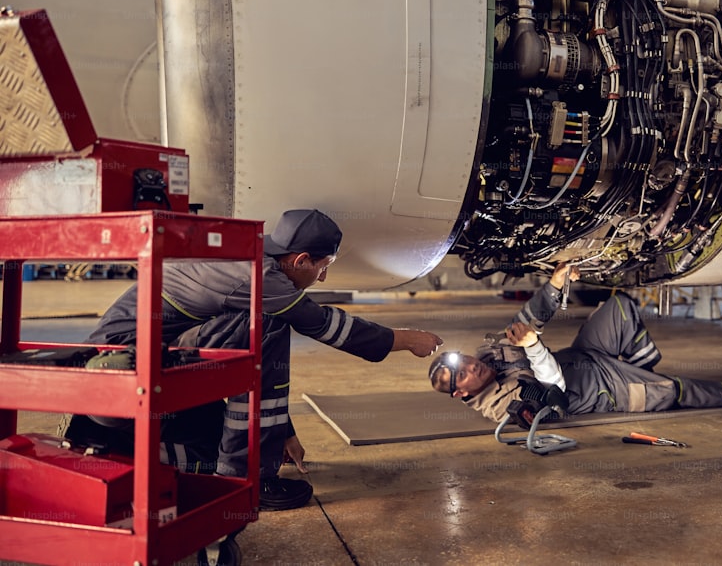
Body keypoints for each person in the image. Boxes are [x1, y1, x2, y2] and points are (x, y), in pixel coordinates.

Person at [61, 209, 443, 511]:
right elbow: (323, 324)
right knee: (270, 324)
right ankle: (251, 480)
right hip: (124, 368)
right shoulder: (261, 278)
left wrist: (282, 432)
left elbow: (255, 368)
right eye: (322, 268)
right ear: (302, 259)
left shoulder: (250, 254)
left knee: (209, 449)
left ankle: (108, 440)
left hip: (133, 367)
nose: (323, 279)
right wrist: (407, 339)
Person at [428, 263, 722, 425]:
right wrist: (534, 347)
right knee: (680, 391)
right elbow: (555, 395)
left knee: (620, 307)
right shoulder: (503, 406)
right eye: (460, 377)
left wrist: (555, 284)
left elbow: (526, 320)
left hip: (588, 355)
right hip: (607, 390)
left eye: (460, 363)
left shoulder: (489, 355)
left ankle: (644, 370)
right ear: (462, 394)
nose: (469, 368)